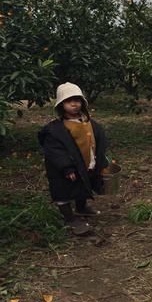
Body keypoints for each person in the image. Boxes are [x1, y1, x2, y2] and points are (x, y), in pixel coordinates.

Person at [38, 82, 108, 235]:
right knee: (64, 190)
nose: (74, 104)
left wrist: (100, 160)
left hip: (85, 162)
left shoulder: (88, 122)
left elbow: (97, 140)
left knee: (83, 185)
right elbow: (55, 150)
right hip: (68, 167)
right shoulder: (57, 130)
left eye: (77, 100)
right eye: (69, 101)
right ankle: (69, 217)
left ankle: (81, 207)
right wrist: (66, 167)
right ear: (61, 105)